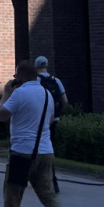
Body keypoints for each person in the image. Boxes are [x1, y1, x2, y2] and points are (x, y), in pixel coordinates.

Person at [0, 60, 82, 207]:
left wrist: (6, 93)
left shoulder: (19, 93)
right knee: (49, 196)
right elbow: (49, 121)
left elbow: (0, 115)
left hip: (21, 153)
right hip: (45, 151)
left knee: (12, 198)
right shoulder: (47, 94)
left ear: (20, 76)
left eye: (16, 76)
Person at [35, 56, 68, 193]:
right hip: (54, 120)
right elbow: (65, 101)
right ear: (47, 65)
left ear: (36, 66)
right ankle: (50, 180)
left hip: (40, 121)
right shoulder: (56, 81)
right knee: (48, 149)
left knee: (37, 149)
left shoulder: (36, 81)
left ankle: (49, 180)